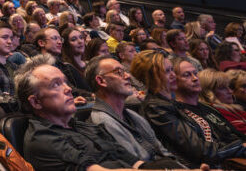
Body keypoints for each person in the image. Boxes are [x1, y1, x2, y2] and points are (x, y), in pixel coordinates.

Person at [17, 54, 153, 171]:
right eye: (56, 84)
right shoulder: (43, 140)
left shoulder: (83, 126)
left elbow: (134, 162)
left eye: (65, 82)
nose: (68, 89)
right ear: (36, 102)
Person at [132, 50, 246, 167]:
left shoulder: (171, 104)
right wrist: (240, 146)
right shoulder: (155, 107)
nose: (173, 75)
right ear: (152, 76)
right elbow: (199, 150)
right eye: (167, 71)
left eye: (172, 69)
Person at [85, 55, 182, 167]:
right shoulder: (101, 123)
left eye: (125, 71)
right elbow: (137, 165)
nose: (128, 76)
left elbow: (163, 152)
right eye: (119, 72)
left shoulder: (133, 115)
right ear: (101, 81)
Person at [35, 27, 91, 96]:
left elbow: (72, 88)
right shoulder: (39, 67)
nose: (59, 42)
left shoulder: (62, 65)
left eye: (60, 39)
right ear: (41, 43)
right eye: (55, 38)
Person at [199, 68, 246, 134]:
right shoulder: (216, 111)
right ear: (209, 92)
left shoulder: (232, 107)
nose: (230, 91)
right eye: (222, 88)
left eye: (228, 86)